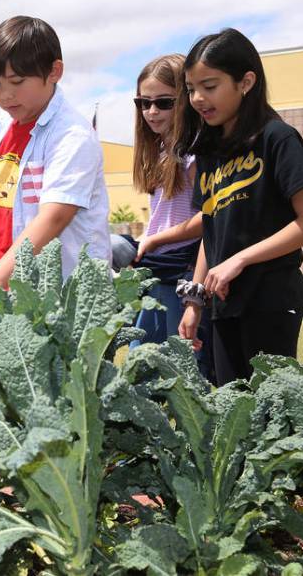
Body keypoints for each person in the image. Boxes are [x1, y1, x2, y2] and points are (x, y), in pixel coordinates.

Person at [177, 28, 303, 385]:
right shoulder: (209, 150)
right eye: (190, 88)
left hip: (271, 299)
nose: (198, 98)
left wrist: (240, 259)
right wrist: (196, 298)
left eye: (209, 86)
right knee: (234, 412)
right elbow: (211, 231)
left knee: (270, 415)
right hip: (223, 304)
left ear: (246, 82)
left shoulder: (278, 138)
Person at [0, 16, 110, 301]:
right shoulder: (1, 132)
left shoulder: (72, 135)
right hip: (4, 290)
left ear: (55, 71)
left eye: (17, 81)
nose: (5, 95)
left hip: (65, 299)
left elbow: (54, 217)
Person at [110, 54, 214, 381]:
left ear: (184, 100)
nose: (152, 111)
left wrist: (154, 239)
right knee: (142, 369)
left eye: (164, 102)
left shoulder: (196, 151)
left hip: (182, 272)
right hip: (154, 270)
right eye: (144, 102)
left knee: (184, 377)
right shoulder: (158, 150)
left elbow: (210, 219)